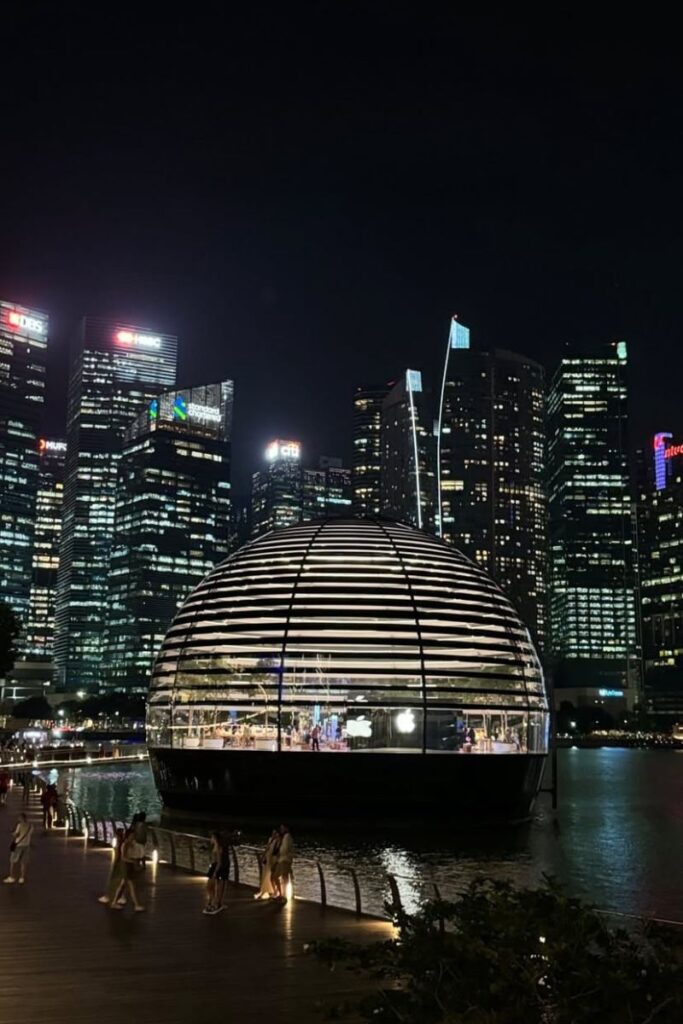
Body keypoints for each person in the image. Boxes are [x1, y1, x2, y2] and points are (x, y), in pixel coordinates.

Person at [111, 827, 145, 912]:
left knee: (123, 885)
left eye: (134, 835)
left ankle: (114, 902)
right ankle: (136, 905)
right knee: (131, 885)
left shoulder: (131, 844)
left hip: (128, 866)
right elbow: (124, 857)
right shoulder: (125, 844)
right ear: (128, 835)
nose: (133, 837)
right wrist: (133, 862)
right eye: (132, 835)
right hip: (126, 866)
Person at [204, 830, 231, 915]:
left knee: (211, 885)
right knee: (209, 886)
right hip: (213, 866)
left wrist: (215, 872)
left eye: (211, 837)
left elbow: (219, 862)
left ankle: (214, 902)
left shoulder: (219, 847)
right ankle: (212, 901)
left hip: (216, 867)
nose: (210, 839)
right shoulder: (214, 846)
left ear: (215, 838)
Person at [98, 827, 126, 904]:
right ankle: (120, 897)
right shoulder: (124, 843)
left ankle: (110, 896)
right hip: (123, 863)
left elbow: (118, 855)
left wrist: (115, 863)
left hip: (120, 864)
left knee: (114, 880)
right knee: (121, 881)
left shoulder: (120, 844)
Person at [4, 812, 33, 884]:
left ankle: (12, 877)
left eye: (19, 818)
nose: (18, 819)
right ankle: (22, 878)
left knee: (12, 861)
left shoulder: (19, 825)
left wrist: (13, 834)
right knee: (23, 862)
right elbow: (29, 834)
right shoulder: (31, 826)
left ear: (22, 818)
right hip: (26, 845)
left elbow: (16, 835)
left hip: (18, 845)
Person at [254, 829, 279, 900]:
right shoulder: (270, 839)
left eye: (275, 833)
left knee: (271, 874)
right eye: (273, 833)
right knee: (266, 874)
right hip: (268, 858)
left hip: (272, 858)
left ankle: (272, 891)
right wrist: (264, 855)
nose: (273, 834)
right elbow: (267, 848)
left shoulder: (276, 841)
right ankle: (266, 890)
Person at [272, 824, 293, 903]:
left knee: (281, 877)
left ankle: (282, 895)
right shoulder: (285, 837)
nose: (281, 830)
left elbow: (285, 849)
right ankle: (281, 895)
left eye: (282, 828)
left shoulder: (287, 837)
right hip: (282, 860)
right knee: (280, 877)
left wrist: (280, 853)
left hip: (284, 860)